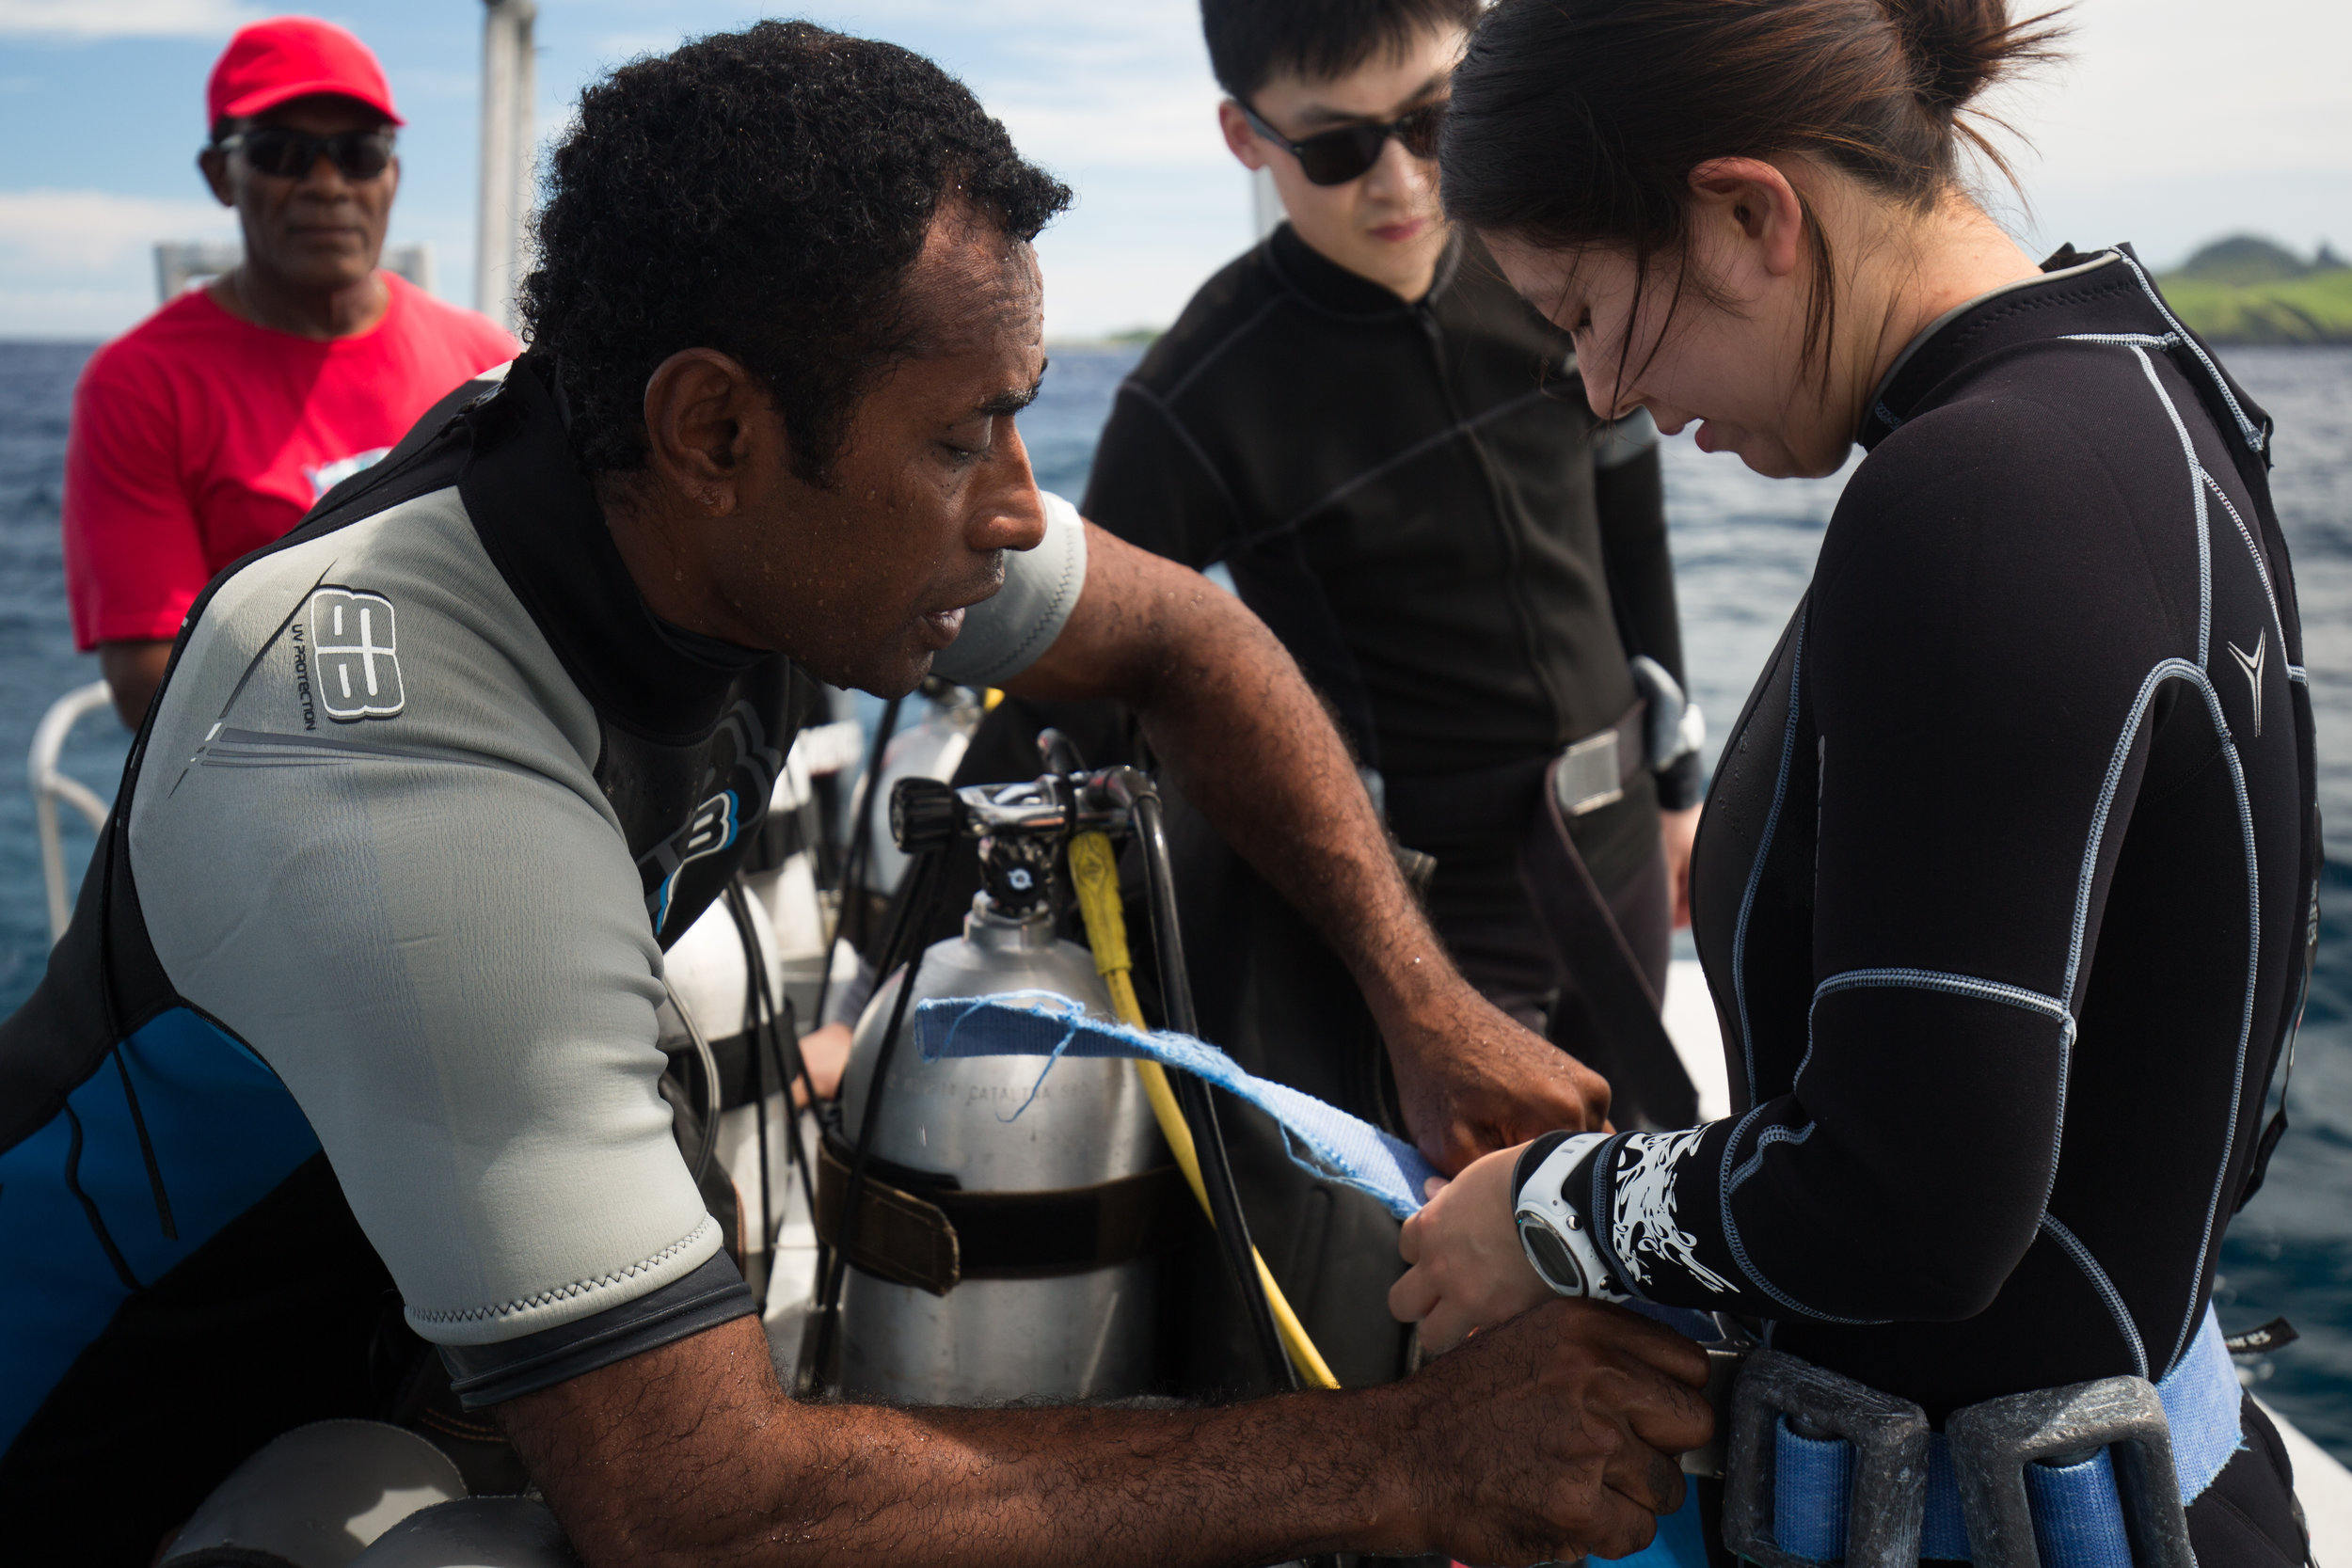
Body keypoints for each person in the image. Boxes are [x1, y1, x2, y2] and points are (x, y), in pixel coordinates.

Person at [0, 24, 1712, 1565]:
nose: (1025, 508)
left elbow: (1190, 641)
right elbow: (696, 1511)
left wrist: (1420, 1003)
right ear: (718, 433)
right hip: (127, 1460)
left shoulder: (687, 506)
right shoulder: (402, 777)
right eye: (969, 436)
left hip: (392, 1345)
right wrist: (1405, 1456)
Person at [1390, 2, 2318, 1564]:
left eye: (1586, 309)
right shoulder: (2144, 392)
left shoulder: (1976, 493)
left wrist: (1546, 1207)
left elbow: (1914, 1202)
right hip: (2178, 1463)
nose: (1605, 392)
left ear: (1751, 215)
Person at [1083, 0, 1708, 1133]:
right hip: (1413, 905)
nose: (1401, 180)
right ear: (1244, 137)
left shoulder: (1558, 261)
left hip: (1612, 844)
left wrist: (1678, 792)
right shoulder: (1192, 397)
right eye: (1334, 147)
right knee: (1475, 1274)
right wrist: (904, 959)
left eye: (1434, 119)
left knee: (1638, 1196)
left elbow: (1633, 528)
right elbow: (1083, 674)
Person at [60, 16, 516, 729]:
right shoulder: (137, 384)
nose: (327, 183)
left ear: (392, 174)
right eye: (282, 153)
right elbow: (147, 676)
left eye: (359, 152)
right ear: (221, 175)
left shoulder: (487, 362)